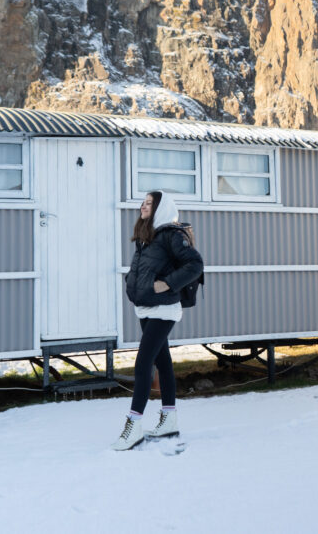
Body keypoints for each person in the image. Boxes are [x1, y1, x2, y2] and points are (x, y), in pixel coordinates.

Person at [112, 190, 203, 451]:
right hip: (147, 307)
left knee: (144, 364)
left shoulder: (171, 235)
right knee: (162, 362)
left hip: (164, 309)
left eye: (149, 203)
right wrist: (132, 286)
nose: (143, 206)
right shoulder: (146, 237)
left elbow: (195, 264)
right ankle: (169, 419)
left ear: (161, 208)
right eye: (143, 203)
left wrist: (168, 284)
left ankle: (133, 426)